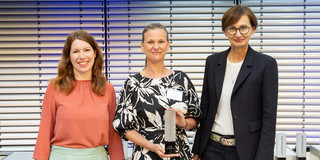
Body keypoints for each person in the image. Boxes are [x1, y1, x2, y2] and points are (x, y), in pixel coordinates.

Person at [192, 5, 278, 160]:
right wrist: (197, 148)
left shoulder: (266, 64)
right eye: (232, 28)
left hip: (246, 151)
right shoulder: (212, 62)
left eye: (243, 28)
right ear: (225, 32)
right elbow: (205, 108)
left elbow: (269, 119)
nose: (238, 34)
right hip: (211, 149)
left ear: (253, 29)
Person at [113, 23, 201, 160]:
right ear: (142, 46)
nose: (156, 46)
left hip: (179, 153)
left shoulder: (181, 79)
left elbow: (196, 119)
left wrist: (184, 124)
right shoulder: (132, 83)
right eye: (150, 42)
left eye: (161, 41)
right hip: (145, 154)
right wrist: (151, 146)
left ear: (167, 45)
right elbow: (124, 127)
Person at [33, 30, 124, 160]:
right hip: (61, 156)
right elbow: (45, 130)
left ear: (95, 53)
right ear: (69, 57)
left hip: (98, 156)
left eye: (86, 50)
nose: (82, 56)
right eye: (75, 51)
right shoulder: (54, 87)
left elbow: (113, 133)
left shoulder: (107, 89)